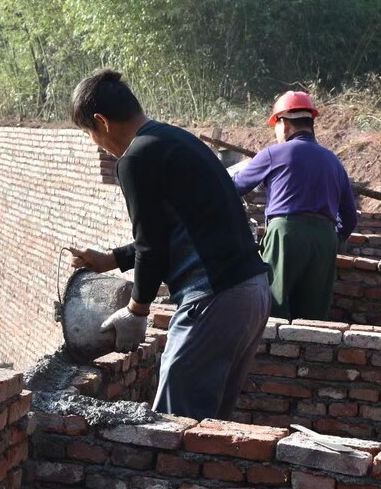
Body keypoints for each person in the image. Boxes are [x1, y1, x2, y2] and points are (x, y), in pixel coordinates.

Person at [66, 69, 270, 421]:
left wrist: (136, 310)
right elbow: (181, 232)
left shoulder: (135, 158)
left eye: (90, 133)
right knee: (211, 427)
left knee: (176, 428)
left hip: (214, 300)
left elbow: (152, 247)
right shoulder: (177, 140)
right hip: (252, 292)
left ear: (101, 122)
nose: (95, 143)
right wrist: (112, 259)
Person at [230, 91, 358, 321]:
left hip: (285, 235)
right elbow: (349, 217)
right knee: (313, 319)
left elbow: (234, 187)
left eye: (276, 126)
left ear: (285, 124)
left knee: (271, 309)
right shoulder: (334, 162)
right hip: (324, 241)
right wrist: (331, 239)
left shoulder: (274, 154)